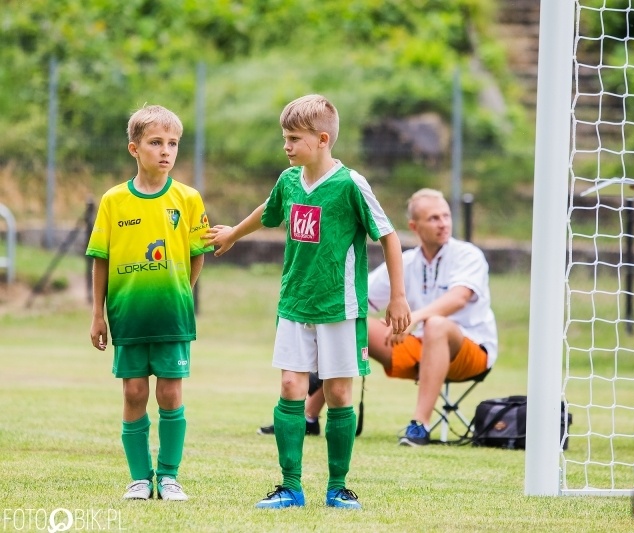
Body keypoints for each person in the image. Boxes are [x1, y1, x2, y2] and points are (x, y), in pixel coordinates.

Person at [203, 94, 411, 510]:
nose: (286, 146)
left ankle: (337, 487)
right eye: (284, 137)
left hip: (340, 306)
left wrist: (398, 297)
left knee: (337, 393)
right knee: (289, 386)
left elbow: (388, 235)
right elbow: (269, 211)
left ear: (321, 139)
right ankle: (290, 486)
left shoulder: (350, 184)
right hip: (295, 303)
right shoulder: (289, 179)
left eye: (293, 138)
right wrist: (232, 234)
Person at [87, 105, 213, 501]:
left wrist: (180, 290)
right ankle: (140, 479)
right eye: (156, 142)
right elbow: (100, 259)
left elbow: (197, 254)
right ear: (134, 148)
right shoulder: (113, 200)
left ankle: (170, 476)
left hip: (172, 317)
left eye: (172, 143)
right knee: (134, 393)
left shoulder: (188, 198)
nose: (165, 151)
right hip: (128, 317)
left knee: (171, 394)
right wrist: (97, 315)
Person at [369, 188, 498, 446]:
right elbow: (359, 299)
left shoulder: (468, 254)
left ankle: (419, 426)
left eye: (446, 216)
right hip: (419, 348)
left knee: (436, 324)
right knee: (348, 320)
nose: (443, 224)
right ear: (414, 226)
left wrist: (411, 318)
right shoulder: (405, 261)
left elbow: (459, 298)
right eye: (434, 218)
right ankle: (310, 416)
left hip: (471, 349)